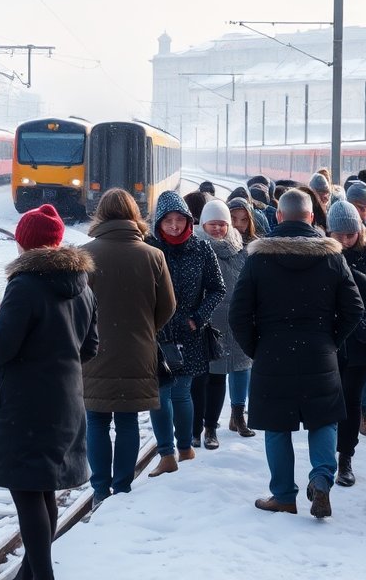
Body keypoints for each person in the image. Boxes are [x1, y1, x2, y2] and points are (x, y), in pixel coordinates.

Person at [0, 204, 98, 580]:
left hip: (24, 407)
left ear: (23, 244)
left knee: (28, 494)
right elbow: (90, 347)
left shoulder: (24, 286)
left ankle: (41, 576)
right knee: (44, 490)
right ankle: (28, 574)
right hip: (65, 402)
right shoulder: (82, 287)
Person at [231, 189, 364, 518]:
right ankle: (321, 480)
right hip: (320, 354)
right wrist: (330, 340)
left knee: (277, 428)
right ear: (311, 218)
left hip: (272, 355)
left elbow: (238, 314)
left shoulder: (258, 258)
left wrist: (257, 348)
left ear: (278, 216)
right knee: (324, 421)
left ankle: (284, 496)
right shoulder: (331, 257)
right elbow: (354, 309)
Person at [81, 189, 176, 503]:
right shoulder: (153, 255)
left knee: (96, 420)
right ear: (135, 216)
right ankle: (122, 488)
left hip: (93, 353)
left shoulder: (85, 255)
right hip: (138, 352)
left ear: (101, 215)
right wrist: (144, 329)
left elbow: (76, 307)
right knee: (127, 420)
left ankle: (99, 491)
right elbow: (168, 306)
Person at [145, 191, 226, 477]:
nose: (175, 226)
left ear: (189, 221)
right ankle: (167, 454)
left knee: (181, 393)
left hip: (190, 332)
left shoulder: (202, 249)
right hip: (158, 333)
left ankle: (185, 448)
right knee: (160, 393)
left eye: (180, 220)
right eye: (168, 220)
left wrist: (198, 317)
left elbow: (218, 288)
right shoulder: (149, 249)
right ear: (159, 222)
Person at [327, 199, 366, 486]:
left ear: (359, 231)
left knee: (351, 400)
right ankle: (326, 457)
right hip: (328, 337)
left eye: (349, 235)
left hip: (361, 336)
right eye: (337, 235)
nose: (342, 241)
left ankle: (346, 458)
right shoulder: (319, 250)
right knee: (329, 399)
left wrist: (346, 269)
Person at [194, 198, 255, 444]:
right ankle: (209, 426)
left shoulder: (242, 250)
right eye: (213, 224)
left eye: (222, 224)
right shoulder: (197, 249)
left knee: (242, 367)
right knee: (213, 375)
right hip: (209, 321)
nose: (218, 229)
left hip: (239, 319)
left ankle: (238, 415)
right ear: (204, 225)